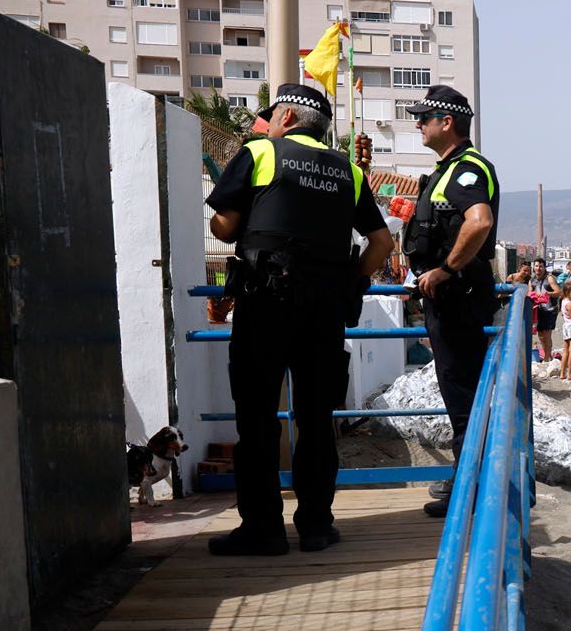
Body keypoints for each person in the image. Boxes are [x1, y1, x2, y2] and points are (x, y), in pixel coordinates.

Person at [205, 83, 393, 556]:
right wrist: (348, 282)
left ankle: (264, 530)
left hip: (264, 308)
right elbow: (382, 243)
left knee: (258, 420)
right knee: (315, 419)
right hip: (324, 314)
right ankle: (316, 527)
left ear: (286, 117)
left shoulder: (261, 152)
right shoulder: (348, 170)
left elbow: (224, 226)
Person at [401, 85, 499, 518]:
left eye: (424, 117)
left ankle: (470, 489)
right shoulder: (444, 171)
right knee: (459, 394)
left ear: (448, 122)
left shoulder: (467, 170)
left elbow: (479, 222)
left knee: (464, 397)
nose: (418, 124)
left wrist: (447, 269)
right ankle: (467, 479)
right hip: (448, 302)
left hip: (460, 302)